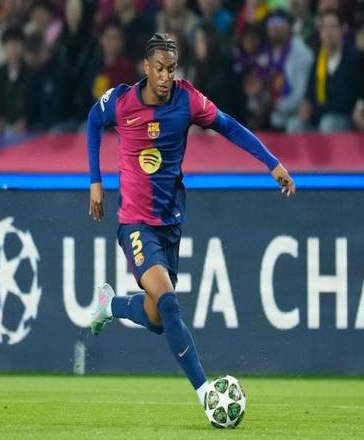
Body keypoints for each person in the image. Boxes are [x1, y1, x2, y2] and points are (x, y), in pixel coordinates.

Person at [86, 33, 295, 406]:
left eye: (172, 69)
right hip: (135, 223)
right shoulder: (121, 102)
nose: (166, 77)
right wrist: (95, 182)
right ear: (146, 67)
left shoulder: (188, 100)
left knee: (156, 317)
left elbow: (229, 126)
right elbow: (92, 121)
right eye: (160, 69)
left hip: (170, 224)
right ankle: (206, 394)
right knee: (168, 301)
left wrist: (272, 163)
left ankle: (111, 305)